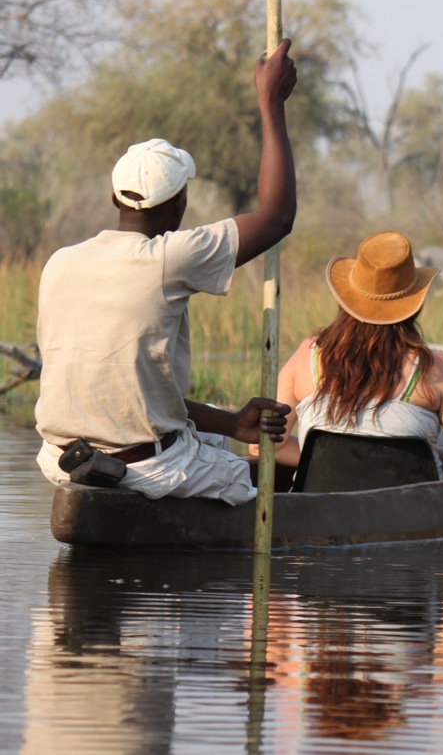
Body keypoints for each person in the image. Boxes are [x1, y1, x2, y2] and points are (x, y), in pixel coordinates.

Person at [34, 40, 299, 506]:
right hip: (147, 470)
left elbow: (133, 394)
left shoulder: (61, 261)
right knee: (272, 482)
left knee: (217, 429)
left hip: (61, 461)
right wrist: (269, 103)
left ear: (116, 198)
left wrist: (234, 425)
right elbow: (277, 217)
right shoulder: (169, 257)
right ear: (179, 204)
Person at [264, 230, 443, 483]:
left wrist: (332, 461)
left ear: (347, 297)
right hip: (411, 517)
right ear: (414, 303)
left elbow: (267, 446)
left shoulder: (307, 355)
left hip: (321, 514)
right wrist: (437, 459)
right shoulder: (433, 369)